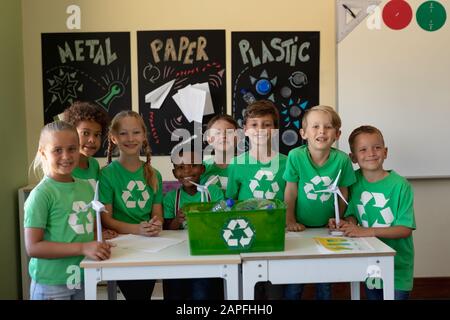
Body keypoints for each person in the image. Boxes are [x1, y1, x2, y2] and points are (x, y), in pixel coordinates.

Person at [24, 121, 112, 300]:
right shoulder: (41, 194)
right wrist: (83, 247)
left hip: (82, 276)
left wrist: (99, 241)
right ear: (43, 152)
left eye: (72, 149)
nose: (66, 156)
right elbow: (33, 247)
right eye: (57, 150)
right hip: (51, 284)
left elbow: (87, 231)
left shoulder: (88, 188)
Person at [332, 125, 415, 300]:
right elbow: (353, 213)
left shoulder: (400, 186)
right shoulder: (353, 182)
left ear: (385, 152)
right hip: (371, 264)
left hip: (397, 266)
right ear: (353, 157)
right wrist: (347, 222)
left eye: (377, 148)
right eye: (363, 149)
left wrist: (367, 231)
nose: (371, 153)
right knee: (373, 297)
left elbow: (405, 228)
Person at [283, 105, 356, 300]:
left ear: (337, 134)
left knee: (325, 281)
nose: (322, 131)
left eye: (328, 127)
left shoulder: (342, 160)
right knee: (295, 281)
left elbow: (343, 192)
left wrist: (336, 219)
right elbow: (291, 190)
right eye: (315, 126)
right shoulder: (295, 156)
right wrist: (290, 220)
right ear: (303, 133)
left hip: (327, 228)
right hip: (299, 228)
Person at [99, 110, 163, 300]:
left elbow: (157, 213)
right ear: (113, 138)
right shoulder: (107, 175)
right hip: (122, 245)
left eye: (135, 132)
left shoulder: (154, 174)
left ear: (144, 136)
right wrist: (136, 229)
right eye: (123, 133)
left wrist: (156, 224)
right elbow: (106, 218)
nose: (130, 138)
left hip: (149, 245)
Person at [226, 100, 287, 299]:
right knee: (249, 294)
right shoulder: (236, 164)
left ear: (275, 130)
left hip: (277, 234)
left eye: (267, 125)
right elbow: (231, 201)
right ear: (245, 130)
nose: (260, 130)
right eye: (254, 125)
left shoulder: (288, 162)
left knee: (274, 292)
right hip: (245, 236)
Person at [163, 141, 224, 300]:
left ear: (202, 169)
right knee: (175, 290)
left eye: (193, 165)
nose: (187, 170)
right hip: (178, 253)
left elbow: (221, 222)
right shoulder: (171, 198)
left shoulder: (213, 192)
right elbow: (167, 229)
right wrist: (177, 220)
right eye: (181, 167)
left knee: (201, 292)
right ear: (175, 172)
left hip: (206, 252)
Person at [62, 101, 117, 240]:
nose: (92, 140)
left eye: (97, 134)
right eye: (85, 133)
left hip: (90, 234)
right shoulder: (65, 170)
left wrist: (99, 230)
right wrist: (92, 235)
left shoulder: (94, 165)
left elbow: (92, 205)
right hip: (72, 238)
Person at [201, 114, 238, 194]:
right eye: (217, 133)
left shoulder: (245, 167)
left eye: (229, 132)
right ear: (209, 140)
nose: (223, 136)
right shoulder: (201, 168)